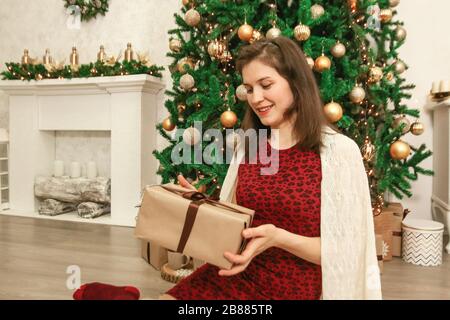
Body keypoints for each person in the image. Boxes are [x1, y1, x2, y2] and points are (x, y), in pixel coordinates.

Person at [160, 36, 381, 300]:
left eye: (266, 85)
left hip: (291, 288)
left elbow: (347, 252)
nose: (256, 98)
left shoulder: (338, 152)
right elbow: (236, 221)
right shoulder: (250, 146)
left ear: (296, 82)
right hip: (234, 272)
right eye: (249, 89)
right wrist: (200, 205)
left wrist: (279, 238)